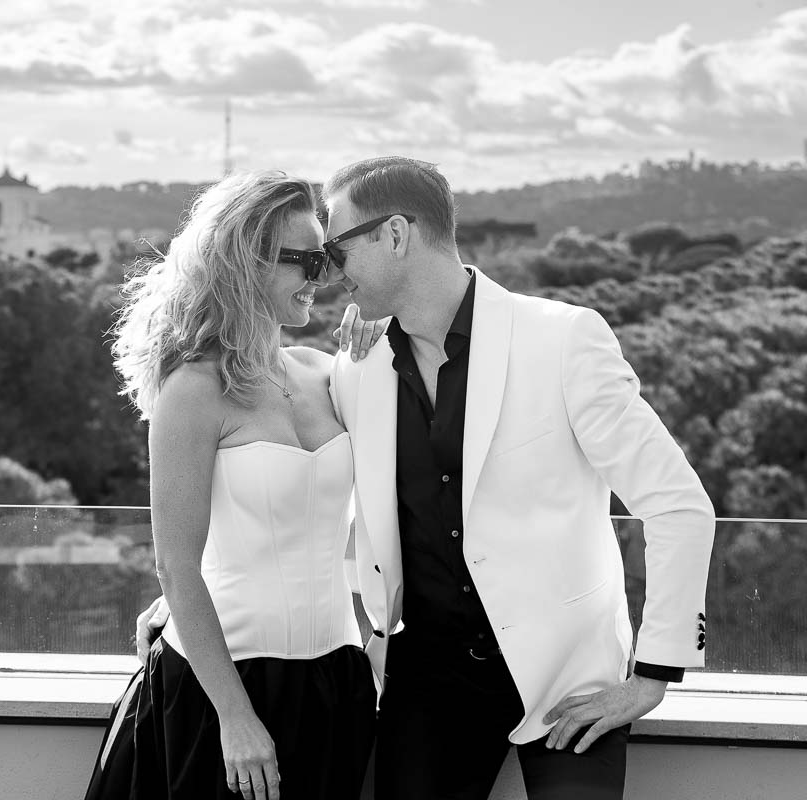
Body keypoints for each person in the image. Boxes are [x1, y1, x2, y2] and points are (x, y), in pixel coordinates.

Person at [139, 156, 716, 800]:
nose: (329, 272)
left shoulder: (562, 340)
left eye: (336, 248)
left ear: (394, 235)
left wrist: (656, 675)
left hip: (569, 677)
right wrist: (185, 596)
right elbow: (282, 494)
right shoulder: (355, 374)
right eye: (313, 256)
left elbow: (677, 506)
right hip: (425, 683)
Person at [85, 170, 378, 800]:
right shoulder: (193, 390)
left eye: (325, 258)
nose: (320, 278)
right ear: (245, 263)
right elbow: (176, 565)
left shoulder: (329, 374)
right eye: (304, 260)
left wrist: (385, 348)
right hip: (223, 693)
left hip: (339, 680)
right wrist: (237, 719)